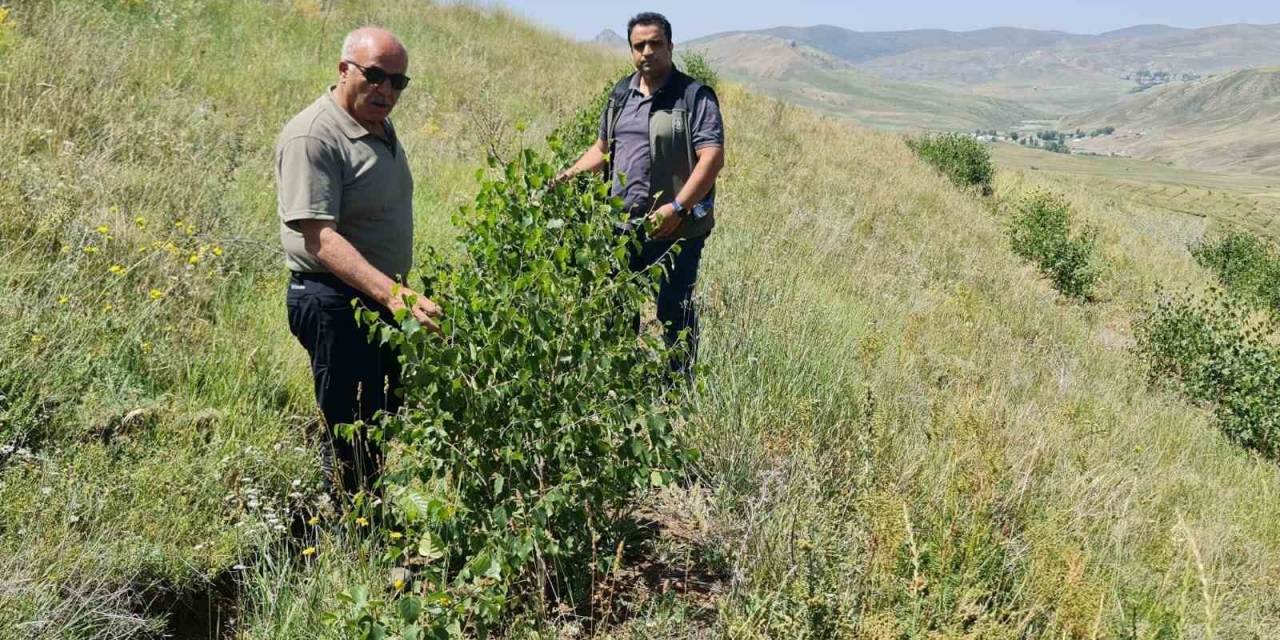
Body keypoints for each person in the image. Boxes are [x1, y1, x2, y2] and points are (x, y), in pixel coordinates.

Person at [276, 26, 441, 498]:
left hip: (377, 300)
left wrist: (392, 297)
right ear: (344, 69)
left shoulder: (379, 124)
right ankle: (348, 536)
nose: (386, 90)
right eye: (374, 75)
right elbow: (320, 239)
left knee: (379, 416)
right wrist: (396, 294)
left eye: (398, 82)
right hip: (334, 301)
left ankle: (369, 515)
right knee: (347, 426)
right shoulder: (314, 135)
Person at [558, 12, 726, 377]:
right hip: (623, 227)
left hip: (677, 230)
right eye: (639, 46)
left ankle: (678, 388)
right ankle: (620, 384)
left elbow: (712, 159)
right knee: (618, 309)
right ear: (631, 50)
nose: (647, 52)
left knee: (673, 309)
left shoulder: (694, 96)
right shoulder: (621, 93)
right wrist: (568, 174)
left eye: (655, 44)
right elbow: (602, 148)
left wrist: (678, 207)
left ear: (670, 45)